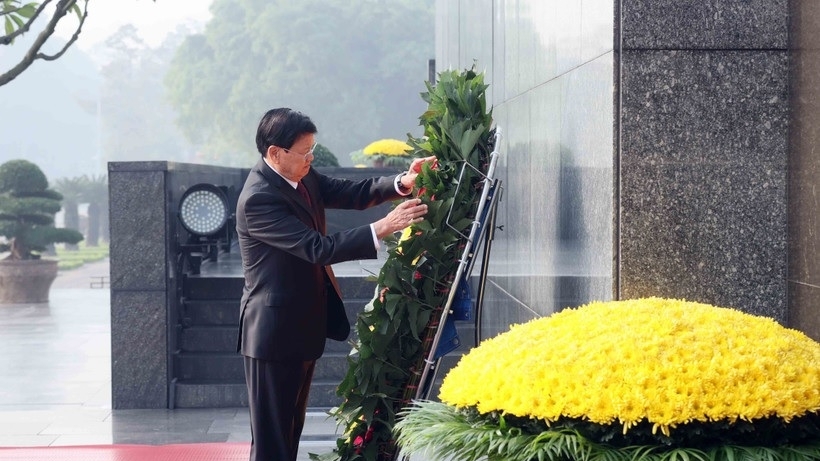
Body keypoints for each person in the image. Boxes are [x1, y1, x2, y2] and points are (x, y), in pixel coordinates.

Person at [235, 107, 433, 461]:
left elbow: (347, 192)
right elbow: (318, 248)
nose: (311, 158)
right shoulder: (258, 199)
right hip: (272, 335)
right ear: (275, 153)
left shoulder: (300, 174)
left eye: (312, 149)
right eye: (304, 151)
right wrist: (384, 227)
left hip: (300, 326)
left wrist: (402, 183)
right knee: (271, 442)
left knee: (289, 433)